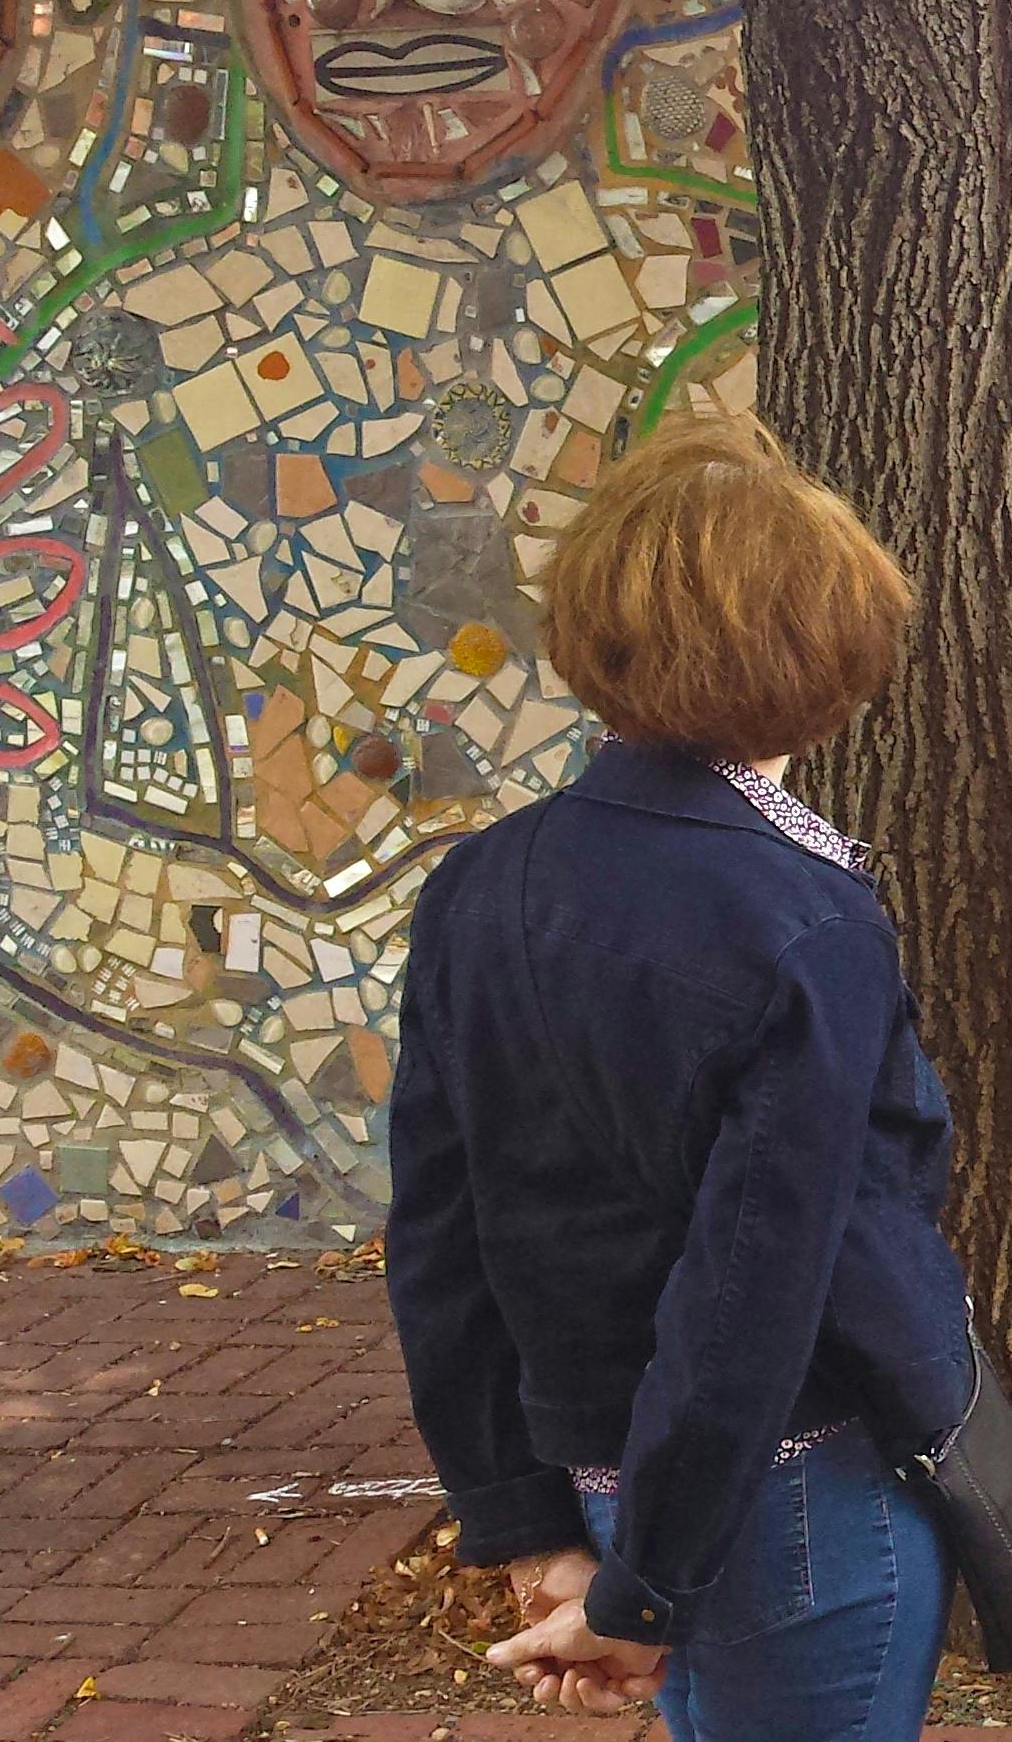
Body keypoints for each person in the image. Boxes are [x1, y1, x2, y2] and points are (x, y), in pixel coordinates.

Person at [386, 415, 968, 1742]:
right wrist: (643, 1585)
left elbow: (437, 1236)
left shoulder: (477, 887)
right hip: (795, 1490)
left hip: (613, 1487)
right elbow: (754, 1286)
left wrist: (541, 1523)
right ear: (822, 651)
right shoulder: (806, 920)